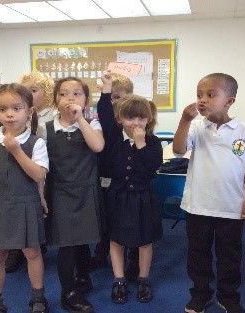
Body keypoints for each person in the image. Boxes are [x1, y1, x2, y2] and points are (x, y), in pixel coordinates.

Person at [172, 73, 245, 313]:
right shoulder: (195, 127)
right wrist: (184, 120)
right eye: (199, 95)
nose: (203, 99)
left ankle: (228, 296)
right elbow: (178, 149)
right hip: (198, 205)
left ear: (230, 100)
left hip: (231, 206)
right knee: (198, 255)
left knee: (230, 256)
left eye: (211, 94)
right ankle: (200, 294)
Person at [0, 83, 49, 313]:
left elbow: (38, 174)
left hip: (26, 203)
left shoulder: (37, 142)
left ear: (29, 111)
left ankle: (38, 298)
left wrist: (16, 150)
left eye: (16, 108)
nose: (9, 114)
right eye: (2, 109)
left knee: (32, 253)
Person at [97, 70, 163, 304]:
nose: (136, 123)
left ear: (148, 119)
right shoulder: (114, 137)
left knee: (145, 241)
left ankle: (143, 279)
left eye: (141, 118)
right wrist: (106, 88)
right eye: (130, 118)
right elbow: (104, 113)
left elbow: (151, 169)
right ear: (120, 120)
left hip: (142, 197)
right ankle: (119, 279)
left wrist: (141, 143)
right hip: (117, 196)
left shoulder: (153, 142)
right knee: (116, 239)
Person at [45, 77, 104, 312]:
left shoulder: (92, 123)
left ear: (86, 101)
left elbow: (98, 146)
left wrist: (79, 118)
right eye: (63, 93)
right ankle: (67, 292)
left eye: (77, 93)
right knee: (67, 244)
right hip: (59, 192)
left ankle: (82, 277)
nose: (70, 98)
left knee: (83, 238)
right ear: (55, 100)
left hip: (85, 189)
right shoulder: (45, 128)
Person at [91, 73, 140, 282]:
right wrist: (106, 93)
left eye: (119, 97)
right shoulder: (106, 123)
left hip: (129, 182)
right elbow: (104, 111)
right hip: (104, 177)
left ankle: (133, 261)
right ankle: (101, 254)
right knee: (105, 219)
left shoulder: (134, 123)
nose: (115, 102)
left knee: (131, 221)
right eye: (112, 97)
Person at [4, 71, 55, 273]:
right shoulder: (17, 112)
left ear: (48, 93)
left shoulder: (52, 116)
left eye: (34, 90)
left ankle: (37, 245)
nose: (29, 94)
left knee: (39, 209)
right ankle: (17, 248)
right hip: (19, 165)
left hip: (43, 167)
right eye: (26, 91)